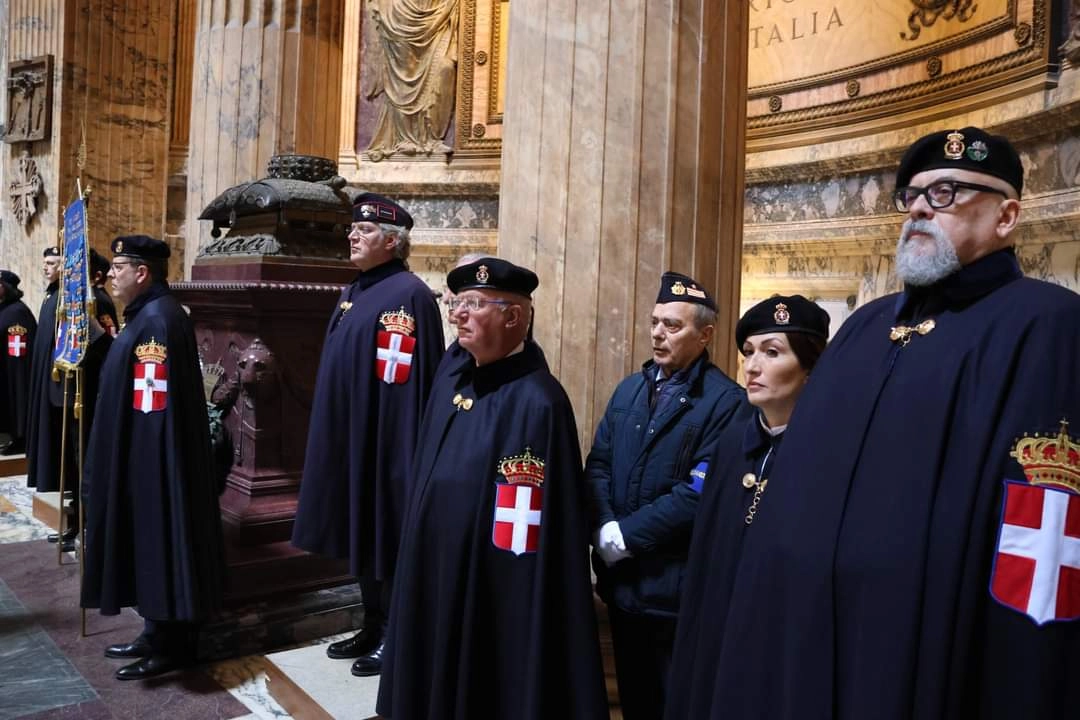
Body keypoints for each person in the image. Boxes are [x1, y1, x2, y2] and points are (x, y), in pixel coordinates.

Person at [699, 127, 1080, 720]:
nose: (922, 207)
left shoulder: (1047, 324)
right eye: (914, 194)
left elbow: (1044, 509)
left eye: (949, 192)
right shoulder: (863, 328)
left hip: (928, 643)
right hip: (810, 644)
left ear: (1007, 216)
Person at [377, 258, 609, 720]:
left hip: (489, 583)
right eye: (457, 302)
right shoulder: (452, 380)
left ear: (514, 317)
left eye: (475, 304)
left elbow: (529, 532)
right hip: (433, 565)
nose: (459, 313)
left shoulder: (538, 402)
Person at [291, 192, 444, 676]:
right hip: (351, 436)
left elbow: (410, 380)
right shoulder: (356, 289)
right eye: (353, 228)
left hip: (385, 441)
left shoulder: (409, 294)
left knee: (387, 537)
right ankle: (372, 621)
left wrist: (400, 450)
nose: (352, 234)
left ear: (394, 242)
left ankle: (396, 633)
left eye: (366, 230)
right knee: (361, 532)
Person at [585, 271, 748, 719]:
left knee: (676, 702)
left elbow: (699, 493)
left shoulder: (726, 402)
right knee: (636, 700)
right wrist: (604, 529)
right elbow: (598, 464)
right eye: (656, 321)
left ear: (705, 334)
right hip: (623, 584)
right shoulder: (629, 391)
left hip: (674, 591)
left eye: (673, 325)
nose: (658, 333)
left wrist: (628, 535)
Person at [665, 295, 829, 719]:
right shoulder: (732, 445)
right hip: (720, 631)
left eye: (772, 353)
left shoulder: (831, 453)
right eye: (749, 352)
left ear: (810, 368)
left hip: (783, 645)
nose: (752, 366)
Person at [80, 235, 224, 681]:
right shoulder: (147, 315)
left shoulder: (158, 322)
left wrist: (140, 461)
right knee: (144, 543)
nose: (112, 275)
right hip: (140, 456)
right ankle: (153, 631)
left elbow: (153, 405)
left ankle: (173, 645)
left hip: (152, 460)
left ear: (142, 273)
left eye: (119, 267)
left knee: (160, 542)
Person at [27, 248, 117, 550]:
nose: (66, 272)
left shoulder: (97, 301)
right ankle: (75, 524)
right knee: (72, 465)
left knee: (84, 465)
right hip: (64, 395)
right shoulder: (67, 299)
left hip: (85, 396)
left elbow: (104, 351)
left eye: (70, 267)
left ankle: (86, 526)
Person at [0, 269, 37, 456]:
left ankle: (20, 438)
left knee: (17, 401)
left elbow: (18, 347)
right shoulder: (5, 308)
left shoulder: (17, 312)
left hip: (15, 369)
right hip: (6, 368)